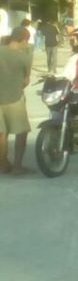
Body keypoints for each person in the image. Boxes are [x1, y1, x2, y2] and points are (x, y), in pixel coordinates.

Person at [0, 31, 33, 174]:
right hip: (15, 98)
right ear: (24, 40)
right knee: (21, 132)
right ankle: (17, 167)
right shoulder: (23, 57)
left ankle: (2, 164)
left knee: (2, 133)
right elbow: (26, 80)